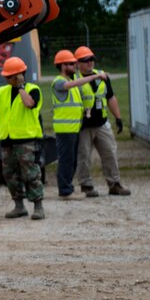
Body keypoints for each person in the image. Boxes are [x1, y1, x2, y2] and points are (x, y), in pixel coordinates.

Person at [0, 57, 45, 219]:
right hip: (7, 141)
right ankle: (19, 206)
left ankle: (38, 207)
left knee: (31, 173)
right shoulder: (2, 91)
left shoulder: (33, 90)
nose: (6, 79)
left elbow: (29, 104)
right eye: (6, 76)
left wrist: (21, 86)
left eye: (9, 76)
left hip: (26, 140)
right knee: (9, 174)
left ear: (19, 75)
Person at [73, 46, 131, 197]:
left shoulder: (102, 76)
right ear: (78, 63)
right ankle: (86, 186)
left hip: (101, 123)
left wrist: (118, 118)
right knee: (84, 156)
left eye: (92, 59)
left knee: (110, 153)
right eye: (86, 60)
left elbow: (110, 97)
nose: (90, 63)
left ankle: (115, 184)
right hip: (83, 126)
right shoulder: (74, 79)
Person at [50, 49, 103, 199]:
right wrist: (94, 76)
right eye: (71, 64)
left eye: (74, 63)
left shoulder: (68, 82)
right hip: (65, 129)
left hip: (73, 128)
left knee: (72, 160)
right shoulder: (59, 82)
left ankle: (68, 188)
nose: (74, 66)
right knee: (66, 161)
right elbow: (74, 84)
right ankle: (65, 191)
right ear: (62, 66)